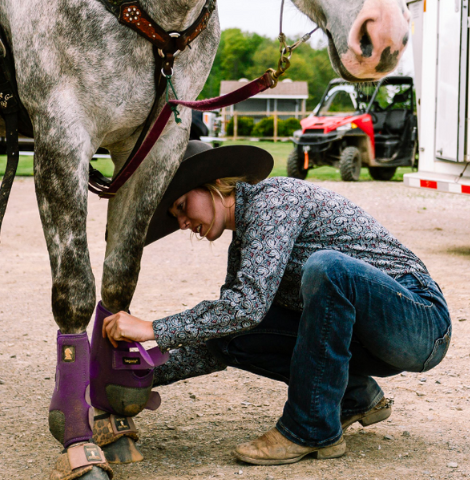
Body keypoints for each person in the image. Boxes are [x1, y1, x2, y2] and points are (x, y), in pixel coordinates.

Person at [103, 141, 451, 466]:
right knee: (234, 334)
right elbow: (226, 331)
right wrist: (143, 376)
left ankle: (310, 428)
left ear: (217, 184)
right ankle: (353, 397)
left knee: (327, 268)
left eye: (181, 206)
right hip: (368, 339)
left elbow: (247, 306)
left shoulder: (273, 200)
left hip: (420, 325)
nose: (182, 223)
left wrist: (152, 329)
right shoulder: (244, 241)